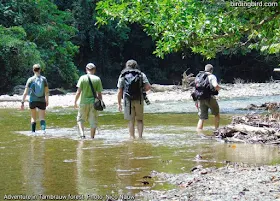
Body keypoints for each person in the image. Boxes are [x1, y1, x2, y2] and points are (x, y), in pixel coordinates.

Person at [117, 59, 151, 139]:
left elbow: (119, 91)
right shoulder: (141, 74)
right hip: (139, 99)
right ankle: (140, 137)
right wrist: (141, 89)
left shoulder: (123, 75)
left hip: (127, 100)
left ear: (127, 66)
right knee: (139, 120)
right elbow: (148, 87)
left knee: (131, 120)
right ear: (136, 66)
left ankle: (132, 137)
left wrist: (119, 104)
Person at [74, 63, 103, 139]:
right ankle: (92, 138)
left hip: (83, 102)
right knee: (93, 121)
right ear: (94, 70)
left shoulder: (82, 78)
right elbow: (99, 94)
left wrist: (75, 102)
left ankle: (82, 135)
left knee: (80, 119)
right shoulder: (97, 79)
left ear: (86, 69)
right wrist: (101, 102)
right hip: (94, 103)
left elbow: (78, 92)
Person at [21, 64, 49, 134]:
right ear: (40, 70)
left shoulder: (30, 80)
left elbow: (25, 93)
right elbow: (47, 92)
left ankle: (33, 133)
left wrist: (22, 102)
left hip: (32, 101)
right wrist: (47, 100)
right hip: (42, 101)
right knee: (42, 118)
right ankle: (43, 131)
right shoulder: (44, 79)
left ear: (33, 70)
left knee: (33, 117)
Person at [196, 64, 221, 131]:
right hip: (210, 98)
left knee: (201, 118)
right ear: (211, 70)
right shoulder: (212, 76)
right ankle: (216, 130)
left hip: (200, 98)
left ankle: (199, 132)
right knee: (217, 115)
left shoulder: (199, 76)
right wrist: (219, 89)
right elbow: (215, 85)